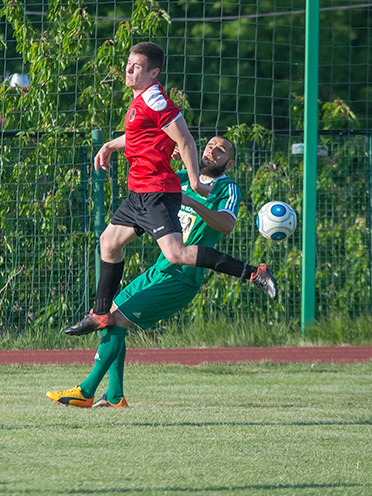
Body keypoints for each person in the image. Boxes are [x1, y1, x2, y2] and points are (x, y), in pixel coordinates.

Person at [64, 42, 277, 336]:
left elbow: (186, 139)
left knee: (176, 253)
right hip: (138, 192)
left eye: (136, 66)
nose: (128, 69)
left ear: (153, 72)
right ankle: (100, 313)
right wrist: (110, 145)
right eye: (129, 63)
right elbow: (138, 134)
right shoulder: (140, 99)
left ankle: (253, 272)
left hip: (157, 192)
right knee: (109, 242)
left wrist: (196, 181)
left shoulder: (155, 99)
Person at [49, 135, 242, 407]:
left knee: (117, 319)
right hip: (159, 269)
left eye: (221, 151)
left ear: (230, 163)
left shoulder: (227, 188)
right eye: (210, 146)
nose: (213, 151)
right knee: (108, 315)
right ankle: (115, 397)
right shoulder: (180, 178)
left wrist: (190, 201)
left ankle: (86, 391)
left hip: (182, 277)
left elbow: (226, 224)